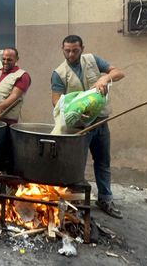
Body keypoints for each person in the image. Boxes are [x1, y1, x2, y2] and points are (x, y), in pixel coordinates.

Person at [51, 35, 125, 219]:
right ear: (62, 49)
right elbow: (55, 101)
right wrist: (71, 109)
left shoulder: (92, 60)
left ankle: (105, 198)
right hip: (79, 128)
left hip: (100, 122)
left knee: (102, 162)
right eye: (67, 50)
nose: (71, 54)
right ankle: (74, 202)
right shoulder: (59, 73)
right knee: (77, 165)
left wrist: (105, 79)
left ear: (82, 48)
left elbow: (119, 72)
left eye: (75, 50)